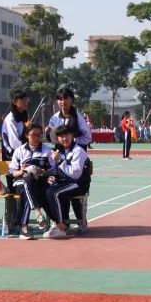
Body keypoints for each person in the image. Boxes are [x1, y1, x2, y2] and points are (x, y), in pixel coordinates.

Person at [47, 86, 93, 229]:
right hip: (60, 155)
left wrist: (71, 142)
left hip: (74, 155)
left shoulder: (78, 118)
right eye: (59, 99)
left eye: (65, 98)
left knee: (72, 183)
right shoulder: (54, 118)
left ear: (71, 100)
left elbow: (87, 137)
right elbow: (52, 139)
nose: (62, 102)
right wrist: (49, 134)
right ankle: (63, 220)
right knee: (57, 185)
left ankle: (80, 219)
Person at [42, 121, 90, 239]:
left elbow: (75, 174)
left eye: (66, 135)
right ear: (58, 138)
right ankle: (59, 222)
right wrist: (50, 176)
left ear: (72, 136)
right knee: (45, 190)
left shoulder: (78, 151)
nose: (64, 138)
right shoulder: (59, 150)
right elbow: (55, 170)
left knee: (54, 192)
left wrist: (60, 161)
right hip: (64, 182)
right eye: (61, 136)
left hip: (78, 184)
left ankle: (60, 228)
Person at [9, 122, 55, 239]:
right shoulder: (19, 151)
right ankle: (38, 212)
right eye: (33, 135)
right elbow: (12, 172)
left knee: (27, 190)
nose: (36, 138)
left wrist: (43, 171)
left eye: (39, 135)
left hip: (40, 181)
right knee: (27, 180)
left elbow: (53, 169)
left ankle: (23, 227)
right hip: (20, 181)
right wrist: (22, 171)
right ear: (26, 135)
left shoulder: (47, 151)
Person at [0, 89, 29, 162]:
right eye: (24, 100)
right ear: (15, 102)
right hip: (12, 156)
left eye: (27, 100)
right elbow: (15, 143)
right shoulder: (10, 119)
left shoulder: (21, 117)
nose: (26, 102)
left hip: (21, 153)